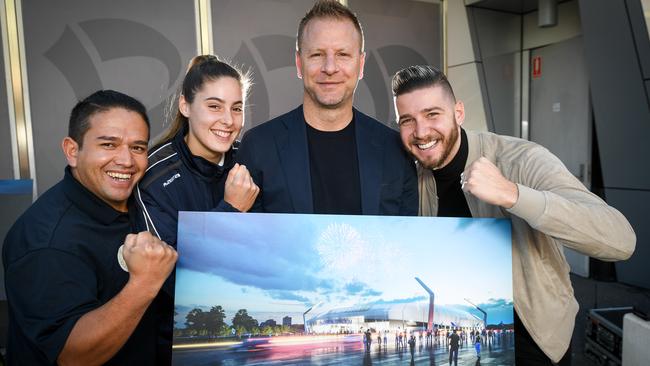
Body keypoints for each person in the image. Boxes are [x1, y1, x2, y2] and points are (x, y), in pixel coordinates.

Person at [391, 65, 636, 365]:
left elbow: (621, 240)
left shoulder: (521, 160)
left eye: (432, 114)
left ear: (458, 112)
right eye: (407, 120)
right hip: (472, 343)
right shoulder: (408, 180)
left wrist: (513, 194)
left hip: (536, 341)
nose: (421, 132)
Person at [2, 90, 177, 365]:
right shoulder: (46, 241)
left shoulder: (141, 201)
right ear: (73, 151)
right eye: (109, 145)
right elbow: (73, 355)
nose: (126, 161)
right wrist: (145, 282)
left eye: (138, 147)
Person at [237, 0, 417, 216]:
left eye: (342, 54)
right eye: (317, 55)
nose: (330, 68)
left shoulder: (395, 150)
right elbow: (247, 241)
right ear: (298, 63)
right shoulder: (259, 146)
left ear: (360, 65)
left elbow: (404, 241)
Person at [135, 55, 259, 362]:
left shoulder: (251, 163)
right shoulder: (153, 178)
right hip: (177, 344)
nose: (228, 121)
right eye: (214, 106)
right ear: (185, 106)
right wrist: (230, 210)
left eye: (237, 108)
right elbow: (170, 280)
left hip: (245, 335)